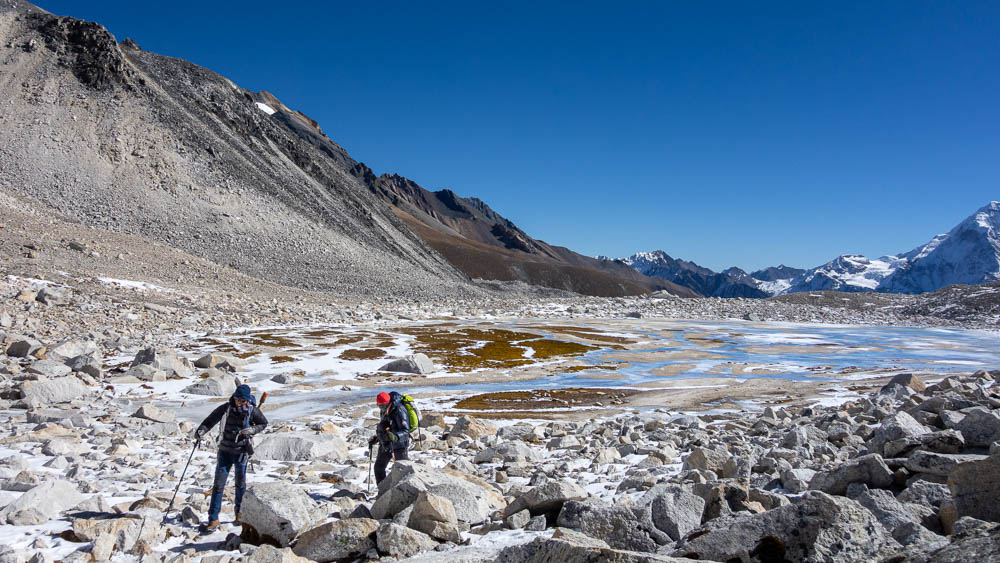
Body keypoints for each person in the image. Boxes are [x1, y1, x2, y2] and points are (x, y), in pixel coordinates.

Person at [194, 384, 267, 531]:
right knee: (218, 486)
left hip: (241, 452)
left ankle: (239, 513)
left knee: (240, 485)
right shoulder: (226, 408)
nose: (238, 402)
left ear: (247, 400)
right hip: (224, 451)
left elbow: (263, 423)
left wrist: (252, 429)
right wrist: (202, 430)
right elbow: (211, 419)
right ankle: (213, 519)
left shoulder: (252, 411)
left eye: (242, 401)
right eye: (236, 399)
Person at [368, 391, 410, 485]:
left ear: (388, 402)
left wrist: (395, 437)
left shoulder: (399, 410)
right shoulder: (384, 411)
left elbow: (406, 431)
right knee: (378, 468)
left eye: (383, 405)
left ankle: (404, 493)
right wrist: (377, 438)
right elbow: (385, 426)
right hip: (386, 444)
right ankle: (382, 491)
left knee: (402, 471)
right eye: (379, 405)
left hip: (399, 445)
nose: (381, 407)